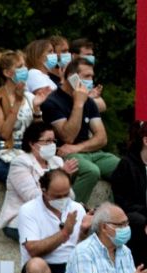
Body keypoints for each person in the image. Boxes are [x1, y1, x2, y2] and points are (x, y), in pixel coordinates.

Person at [17, 168, 85, 273]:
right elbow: (33, 249)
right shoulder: (28, 210)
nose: (62, 200)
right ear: (44, 191)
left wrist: (84, 232)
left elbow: (82, 249)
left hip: (71, 269)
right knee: (36, 265)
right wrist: (64, 235)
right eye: (57, 196)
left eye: (66, 194)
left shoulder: (77, 208)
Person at [44, 57, 117, 207]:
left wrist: (79, 147)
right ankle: (67, 212)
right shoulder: (52, 102)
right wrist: (78, 103)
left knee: (126, 168)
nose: (91, 81)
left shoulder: (89, 102)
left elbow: (102, 137)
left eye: (92, 76)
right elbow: (68, 137)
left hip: (87, 152)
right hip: (64, 154)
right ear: (72, 77)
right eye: (87, 76)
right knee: (91, 171)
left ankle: (116, 214)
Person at [0, 123, 73, 246]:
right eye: (47, 141)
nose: (52, 145)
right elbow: (33, 197)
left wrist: (64, 179)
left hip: (54, 219)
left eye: (54, 140)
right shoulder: (20, 163)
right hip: (20, 220)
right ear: (32, 143)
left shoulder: (57, 161)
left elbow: (70, 197)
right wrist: (59, 177)